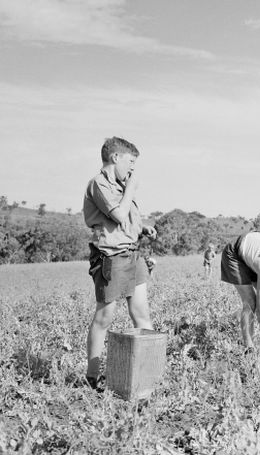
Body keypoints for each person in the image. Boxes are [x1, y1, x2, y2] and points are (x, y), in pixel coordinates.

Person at [82, 137, 158, 390]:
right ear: (116, 158)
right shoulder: (99, 184)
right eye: (131, 162)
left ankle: (147, 375)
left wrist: (142, 228)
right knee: (105, 318)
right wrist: (131, 189)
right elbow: (118, 213)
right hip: (111, 258)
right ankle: (93, 376)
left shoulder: (119, 185)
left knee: (142, 314)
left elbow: (125, 221)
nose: (133, 168)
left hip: (132, 254)